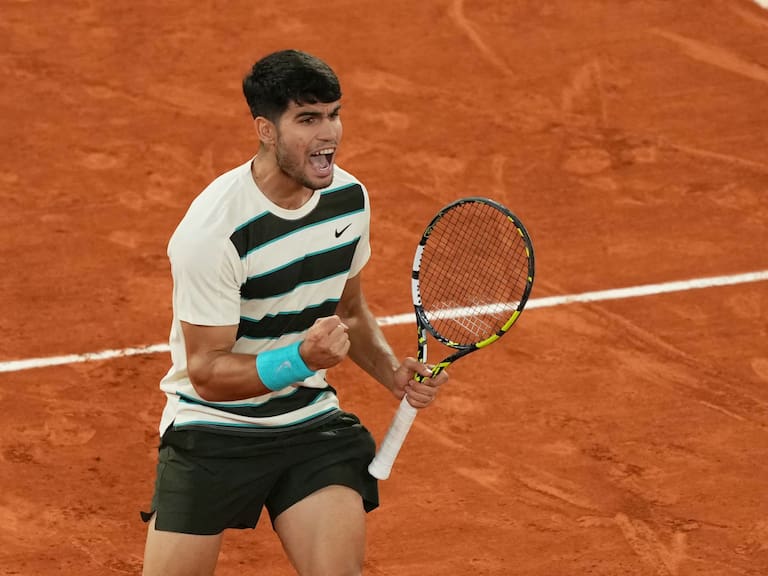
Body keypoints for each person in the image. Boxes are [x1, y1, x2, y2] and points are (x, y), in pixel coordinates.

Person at [140, 49, 449, 576]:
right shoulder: (215, 232)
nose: (328, 133)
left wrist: (391, 373)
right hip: (212, 429)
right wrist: (301, 359)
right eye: (307, 119)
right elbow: (207, 374)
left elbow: (349, 309)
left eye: (333, 114)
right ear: (266, 130)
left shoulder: (349, 199)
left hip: (308, 426)